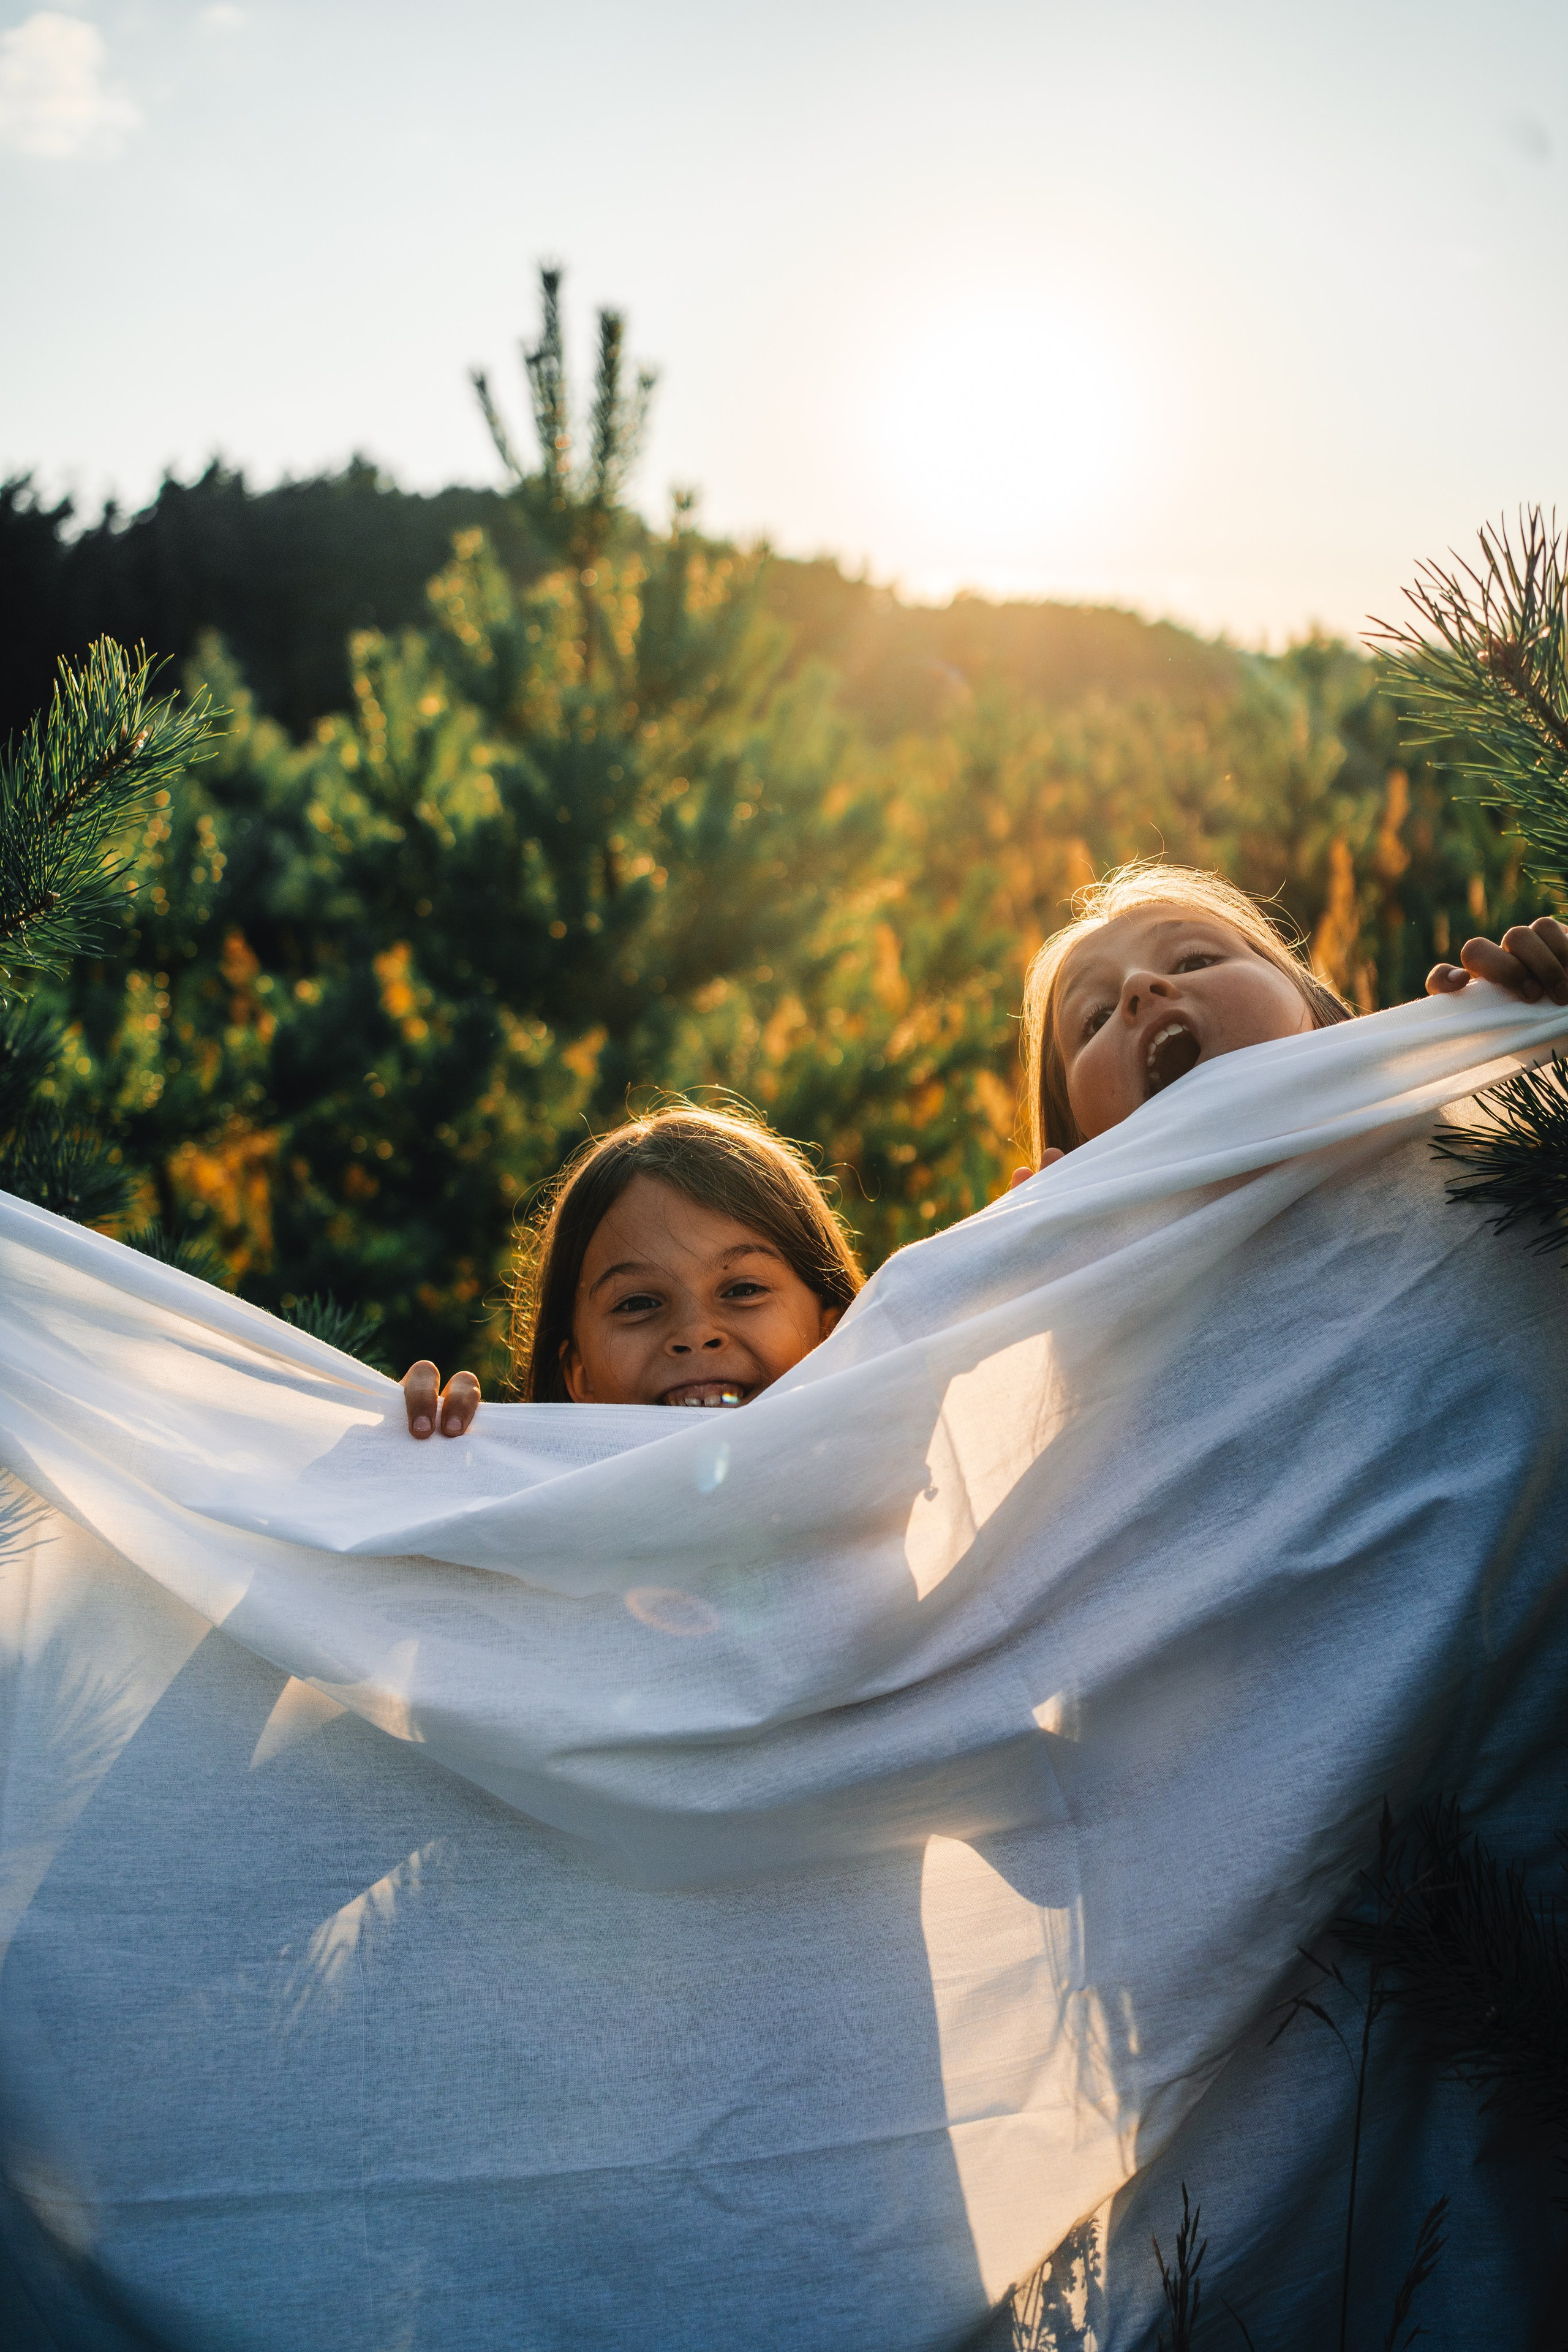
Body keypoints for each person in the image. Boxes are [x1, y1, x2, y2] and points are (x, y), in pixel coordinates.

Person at [1008, 859, 1568, 1186]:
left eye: (1195, 960)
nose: (1138, 986)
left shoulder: (1480, 1140)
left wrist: (1541, 1013)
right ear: (1075, 1143)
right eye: (1097, 1017)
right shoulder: (1083, 1315)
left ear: (1316, 1011)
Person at [402, 1104, 862, 1436]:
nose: (695, 1334)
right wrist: (418, 1458)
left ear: (833, 1331)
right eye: (638, 1303)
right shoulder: (525, 1527)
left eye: (743, 1289)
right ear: (579, 1375)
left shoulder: (898, 1498)